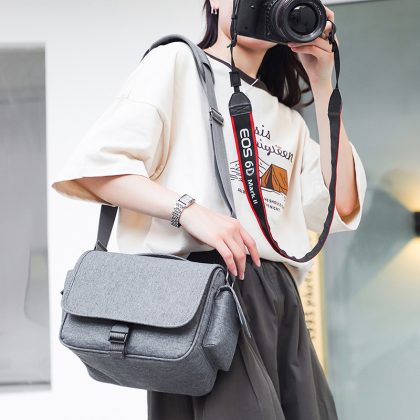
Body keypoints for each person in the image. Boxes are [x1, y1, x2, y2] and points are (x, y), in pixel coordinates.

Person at [51, 1, 367, 419]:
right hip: (202, 299)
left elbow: (342, 203)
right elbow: (97, 169)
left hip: (278, 304)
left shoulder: (287, 118)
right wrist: (189, 211)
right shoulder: (177, 63)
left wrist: (323, 83)